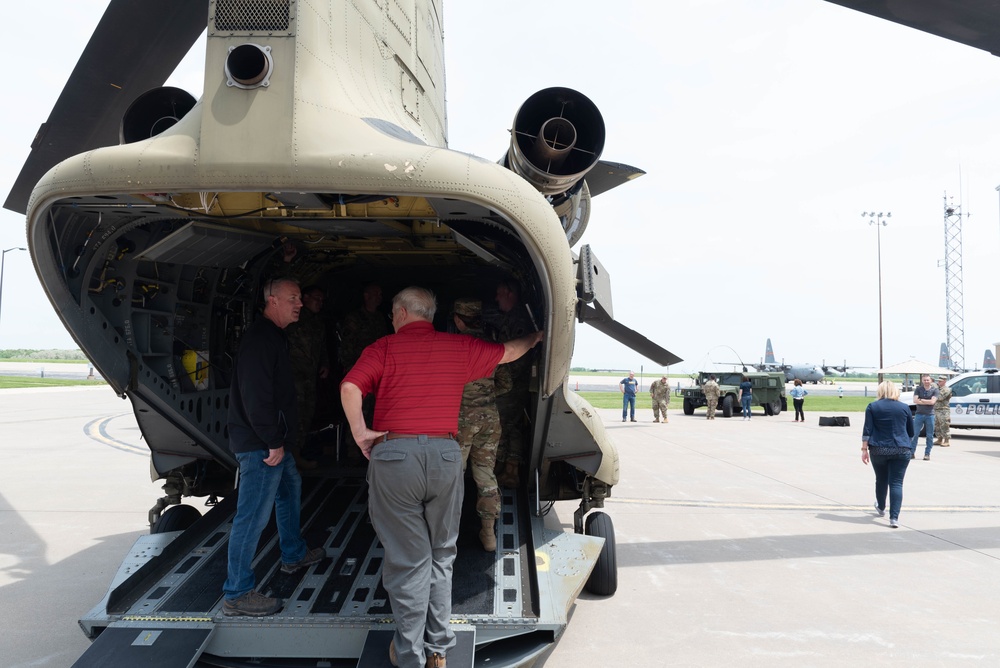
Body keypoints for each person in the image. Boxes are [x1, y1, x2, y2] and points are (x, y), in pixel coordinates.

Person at [340, 286, 543, 668]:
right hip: (446, 455)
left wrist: (360, 432)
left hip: (395, 455)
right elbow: (511, 352)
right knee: (441, 553)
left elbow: (350, 386)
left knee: (408, 560)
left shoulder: (383, 347)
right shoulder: (459, 347)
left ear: (400, 313)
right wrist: (535, 336)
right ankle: (438, 647)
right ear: (431, 315)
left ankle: (409, 654)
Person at [222, 277, 326, 616]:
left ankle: (294, 553)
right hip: (261, 445)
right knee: (251, 517)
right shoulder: (260, 340)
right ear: (273, 301)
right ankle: (237, 593)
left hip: (271, 441)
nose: (299, 303)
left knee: (290, 488)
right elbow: (256, 398)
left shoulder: (273, 337)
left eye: (299, 297)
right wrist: (272, 442)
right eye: (293, 298)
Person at [452, 298, 502, 551]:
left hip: (459, 421)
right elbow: (507, 383)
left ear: (458, 319)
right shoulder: (494, 346)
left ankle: (448, 535)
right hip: (489, 419)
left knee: (452, 478)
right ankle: (489, 534)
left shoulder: (453, 345)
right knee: (485, 475)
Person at [492, 279, 536, 487]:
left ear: (510, 293)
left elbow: (517, 358)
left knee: (501, 426)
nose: (496, 298)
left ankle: (505, 469)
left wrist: (498, 382)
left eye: (499, 293)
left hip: (512, 386)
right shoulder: (512, 318)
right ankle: (510, 471)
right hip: (513, 385)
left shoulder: (518, 320)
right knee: (513, 427)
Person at [285, 284, 330, 469]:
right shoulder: (293, 319)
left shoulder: (317, 322)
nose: (320, 303)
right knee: (294, 415)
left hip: (309, 377)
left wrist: (325, 363)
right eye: (316, 298)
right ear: (305, 297)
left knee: (306, 415)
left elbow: (322, 347)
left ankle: (297, 454)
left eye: (322, 300)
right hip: (293, 375)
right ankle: (291, 457)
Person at [861, 380, 915, 528]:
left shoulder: (873, 406)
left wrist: (864, 449)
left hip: (879, 448)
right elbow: (911, 431)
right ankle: (894, 518)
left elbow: (867, 430)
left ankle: (881, 507)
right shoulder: (904, 407)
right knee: (897, 483)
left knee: (881, 479)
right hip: (901, 448)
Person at [911, 374, 939, 460]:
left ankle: (927, 453)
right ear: (922, 381)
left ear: (931, 381)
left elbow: (932, 402)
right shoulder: (918, 389)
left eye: (927, 380)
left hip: (930, 415)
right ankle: (912, 453)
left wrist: (922, 400)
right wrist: (927, 401)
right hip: (919, 414)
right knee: (915, 434)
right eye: (924, 380)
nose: (926, 382)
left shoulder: (935, 390)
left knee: (929, 435)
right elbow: (915, 400)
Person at [934, 375, 953, 447]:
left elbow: (940, 397)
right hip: (936, 409)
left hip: (944, 410)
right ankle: (939, 439)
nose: (938, 382)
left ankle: (946, 440)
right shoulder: (938, 389)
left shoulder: (946, 389)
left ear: (944, 381)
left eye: (940, 381)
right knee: (937, 425)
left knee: (944, 425)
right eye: (938, 381)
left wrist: (934, 393)